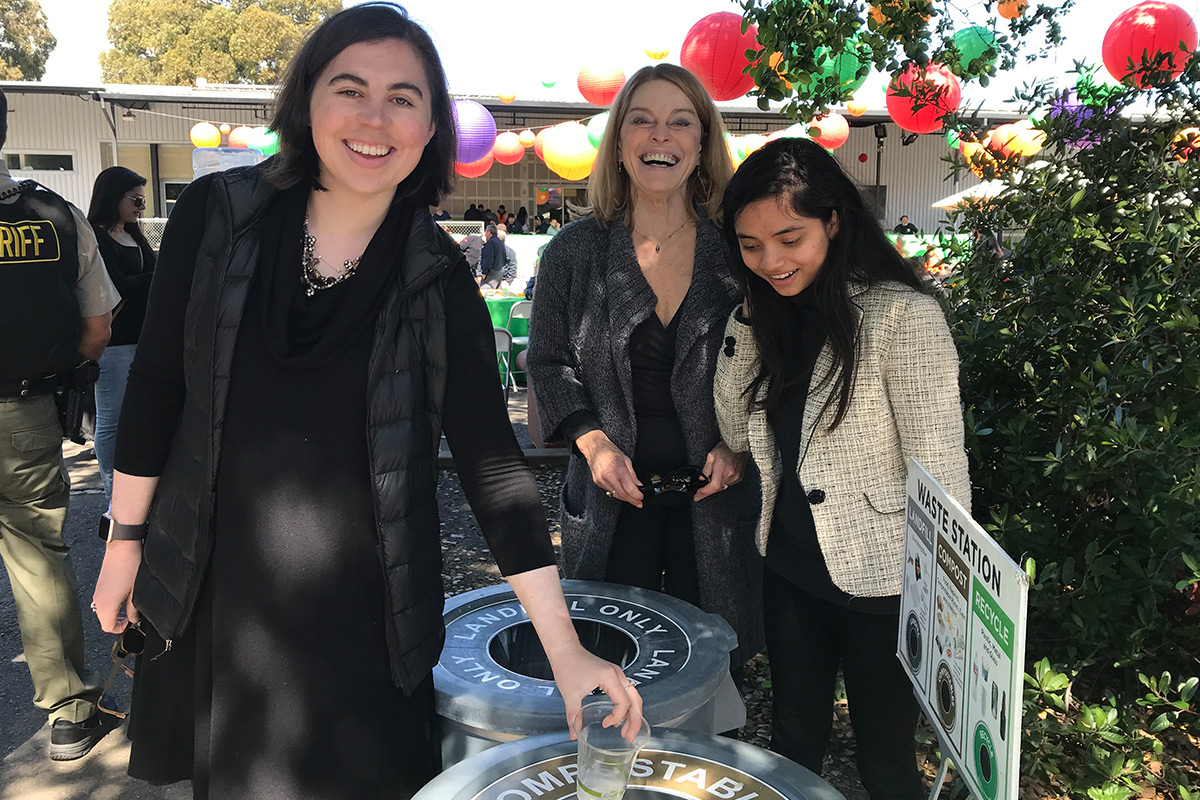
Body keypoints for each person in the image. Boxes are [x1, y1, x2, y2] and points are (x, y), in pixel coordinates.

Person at [90, 6, 641, 799]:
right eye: (350, 88)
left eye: (403, 98)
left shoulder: (437, 278)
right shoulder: (216, 217)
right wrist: (124, 543)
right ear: (307, 99)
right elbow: (157, 387)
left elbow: (492, 468)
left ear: (427, 129)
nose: (373, 118)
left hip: (368, 616)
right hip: (220, 593)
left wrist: (563, 646)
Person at [714, 137, 969, 800]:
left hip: (883, 588)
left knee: (885, 760)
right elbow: (734, 430)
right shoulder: (765, 315)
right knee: (794, 739)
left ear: (832, 221)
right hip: (791, 569)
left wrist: (948, 605)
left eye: (789, 238)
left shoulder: (901, 316)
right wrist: (745, 318)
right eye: (750, 245)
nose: (771, 260)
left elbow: (939, 467)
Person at [527, 63, 764, 677]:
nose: (662, 136)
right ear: (620, 141)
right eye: (643, 120)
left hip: (716, 501)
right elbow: (549, 363)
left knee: (710, 671)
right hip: (612, 497)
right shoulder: (573, 254)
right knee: (610, 667)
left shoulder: (739, 251)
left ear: (704, 142)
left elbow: (777, 365)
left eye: (681, 122)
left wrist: (740, 446)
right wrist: (594, 442)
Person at [0, 87, 118, 761]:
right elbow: (99, 327)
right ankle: (70, 711)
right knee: (36, 554)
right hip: (24, 412)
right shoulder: (55, 215)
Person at [87, 166, 157, 505]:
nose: (141, 207)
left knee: (139, 414)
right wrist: (156, 278)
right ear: (113, 198)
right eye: (136, 199)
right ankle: (113, 490)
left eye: (143, 200)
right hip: (113, 341)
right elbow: (120, 284)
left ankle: (134, 487)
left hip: (142, 337)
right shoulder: (97, 236)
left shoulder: (135, 234)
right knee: (112, 419)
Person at [478, 222, 505, 288]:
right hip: (499, 272)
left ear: (488, 232)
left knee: (484, 292)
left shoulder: (490, 243)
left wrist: (484, 272)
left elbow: (488, 258)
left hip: (491, 274)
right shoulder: (500, 242)